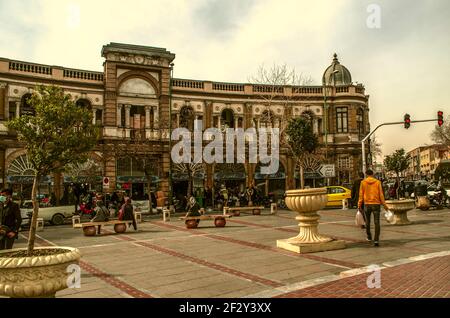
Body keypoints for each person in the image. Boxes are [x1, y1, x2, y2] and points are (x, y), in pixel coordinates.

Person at [358, 170, 388, 247]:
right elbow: (381, 194)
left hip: (367, 204)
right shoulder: (377, 182)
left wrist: (359, 204)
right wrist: (384, 205)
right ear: (373, 174)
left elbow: (361, 194)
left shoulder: (363, 182)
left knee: (367, 222)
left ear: (366, 174)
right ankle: (376, 240)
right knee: (377, 222)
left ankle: (369, 236)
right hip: (376, 204)